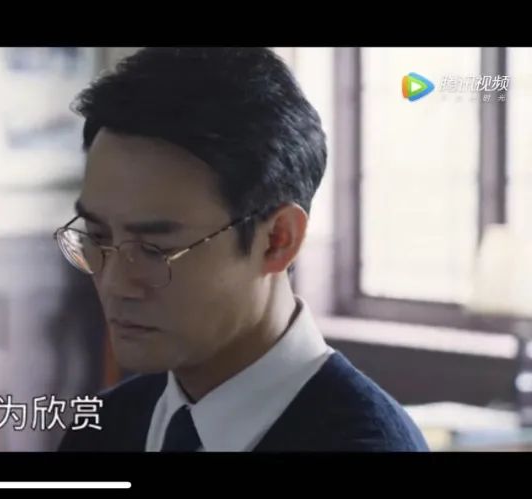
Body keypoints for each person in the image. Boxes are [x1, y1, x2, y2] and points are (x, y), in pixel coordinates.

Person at [54, 47, 428, 452]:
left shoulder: (365, 444)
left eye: (154, 248)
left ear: (278, 240)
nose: (114, 283)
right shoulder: (103, 426)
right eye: (98, 237)